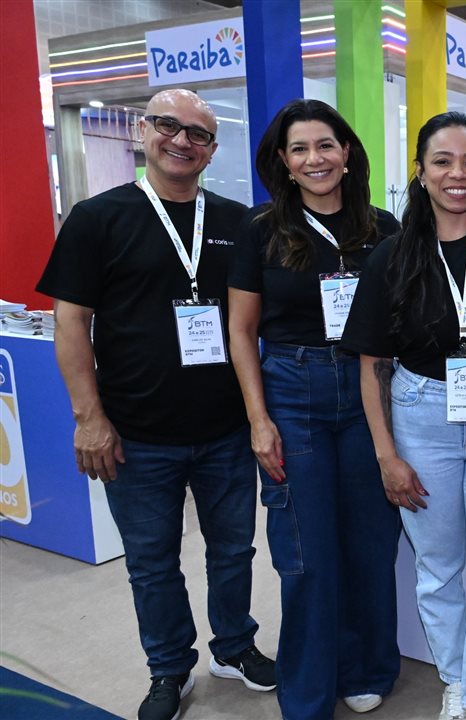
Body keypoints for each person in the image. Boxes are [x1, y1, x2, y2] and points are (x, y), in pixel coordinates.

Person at [36, 89, 276, 720]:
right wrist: (90, 418)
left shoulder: (238, 222)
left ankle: (234, 646)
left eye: (198, 133)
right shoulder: (97, 217)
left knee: (233, 550)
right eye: (168, 126)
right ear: (143, 131)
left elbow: (250, 326)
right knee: (152, 563)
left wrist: (257, 419)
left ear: (212, 149)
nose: (182, 141)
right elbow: (71, 324)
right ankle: (169, 667)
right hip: (136, 432)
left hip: (225, 428)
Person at [341, 111, 466, 720]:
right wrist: (386, 456)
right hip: (421, 417)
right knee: (439, 569)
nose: (458, 174)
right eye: (443, 162)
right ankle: (457, 682)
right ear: (421, 173)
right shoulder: (392, 258)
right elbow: (371, 363)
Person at [227, 99, 403, 718]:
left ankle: (366, 666)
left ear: (347, 151)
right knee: (304, 553)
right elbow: (242, 332)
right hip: (292, 390)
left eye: (325, 145)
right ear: (283, 161)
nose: (314, 159)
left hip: (368, 393)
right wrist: (258, 418)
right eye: (299, 149)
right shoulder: (261, 229)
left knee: (370, 544)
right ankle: (307, 688)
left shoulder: (384, 227)